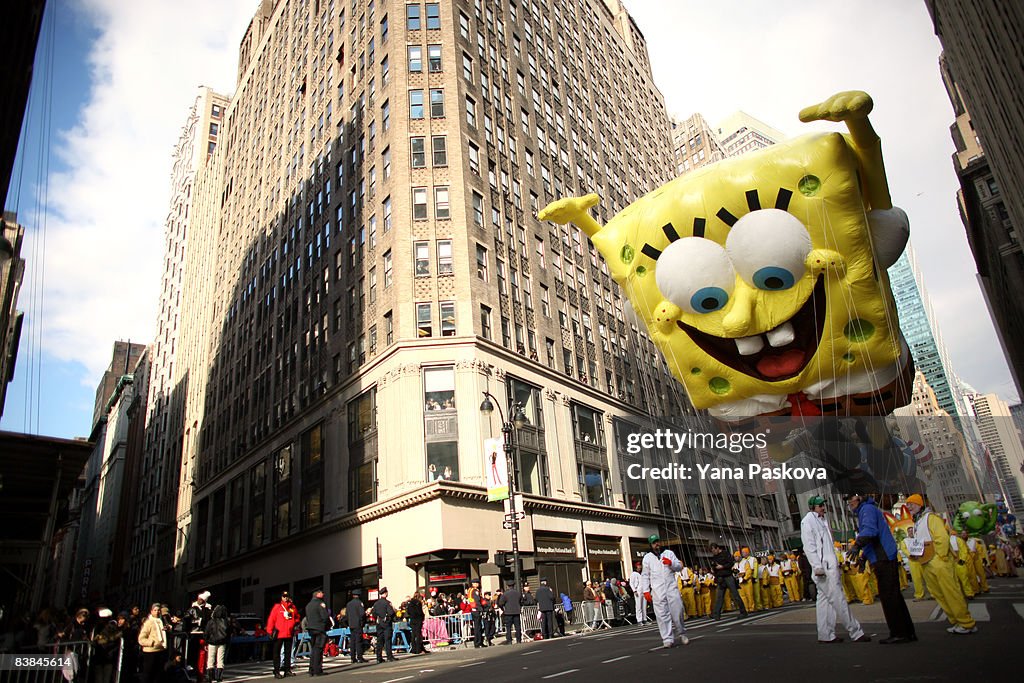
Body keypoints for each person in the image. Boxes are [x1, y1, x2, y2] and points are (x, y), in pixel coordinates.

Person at [903, 494, 977, 635]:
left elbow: (942, 538)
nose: (909, 506)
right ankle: (955, 621)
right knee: (939, 594)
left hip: (938, 562)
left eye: (912, 503)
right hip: (926, 563)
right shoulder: (918, 522)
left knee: (951, 592)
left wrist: (941, 557)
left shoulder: (931, 518)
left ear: (920, 504)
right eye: (907, 504)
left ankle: (966, 623)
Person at [801, 495, 871, 644]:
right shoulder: (808, 522)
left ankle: (825, 634)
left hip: (827, 566)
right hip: (823, 568)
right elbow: (809, 546)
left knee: (824, 601)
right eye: (820, 506)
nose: (823, 508)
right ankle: (856, 632)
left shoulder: (821, 521)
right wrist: (817, 566)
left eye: (823, 505)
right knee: (838, 599)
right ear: (813, 507)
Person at [847, 493, 917, 644]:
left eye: (851, 499)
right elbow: (872, 539)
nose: (849, 503)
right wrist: (863, 556)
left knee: (889, 596)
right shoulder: (867, 510)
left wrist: (857, 545)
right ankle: (907, 631)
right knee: (894, 595)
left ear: (859, 498)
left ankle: (899, 633)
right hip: (882, 555)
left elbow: (871, 531)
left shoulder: (866, 510)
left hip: (883, 557)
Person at [641, 533, 688, 648]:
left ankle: (681, 633)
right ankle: (667, 639)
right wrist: (646, 591)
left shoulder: (669, 553)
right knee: (662, 616)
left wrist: (671, 563)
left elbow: (679, 566)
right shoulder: (647, 558)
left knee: (678, 611)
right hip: (658, 591)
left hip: (671, 588)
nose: (656, 544)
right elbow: (645, 575)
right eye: (654, 543)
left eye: (657, 541)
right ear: (650, 545)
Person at [266, 591, 300, 678]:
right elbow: (271, 619)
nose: (285, 598)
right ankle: (276, 671)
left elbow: (297, 617)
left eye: (287, 596)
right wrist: (269, 631)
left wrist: (293, 623)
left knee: (288, 653)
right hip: (279, 633)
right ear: (281, 597)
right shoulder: (277, 607)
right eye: (284, 596)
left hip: (289, 633)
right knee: (276, 653)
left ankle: (287, 670)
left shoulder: (292, 607)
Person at [709, 542, 747, 619]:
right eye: (712, 551)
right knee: (719, 597)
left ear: (717, 548)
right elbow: (714, 566)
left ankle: (743, 612)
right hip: (720, 578)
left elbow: (731, 563)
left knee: (735, 595)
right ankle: (716, 614)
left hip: (728, 576)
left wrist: (722, 566)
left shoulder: (725, 553)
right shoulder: (714, 557)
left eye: (714, 550)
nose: (713, 552)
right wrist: (713, 570)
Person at [138, 604, 168, 683]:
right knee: (148, 674)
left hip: (160, 650)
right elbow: (141, 638)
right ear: (151, 611)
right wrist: (151, 643)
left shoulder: (161, 621)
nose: (157, 612)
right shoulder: (149, 622)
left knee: (158, 675)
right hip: (150, 652)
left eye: (158, 610)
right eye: (155, 610)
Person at [305, 589, 331, 676]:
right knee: (319, 649)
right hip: (319, 628)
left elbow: (307, 618)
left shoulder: (308, 605)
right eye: (321, 592)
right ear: (318, 594)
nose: (323, 594)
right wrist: (327, 625)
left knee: (314, 649)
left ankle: (311, 668)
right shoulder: (320, 604)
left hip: (311, 628)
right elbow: (325, 616)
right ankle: (317, 669)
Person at [203, 604, 231, 682]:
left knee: (210, 659)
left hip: (212, 642)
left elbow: (207, 632)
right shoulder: (226, 621)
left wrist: (206, 641)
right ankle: (219, 677)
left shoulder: (211, 621)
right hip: (222, 642)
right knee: (220, 660)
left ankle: (209, 677)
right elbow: (229, 633)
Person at [372, 587, 397, 662]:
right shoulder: (387, 603)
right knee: (387, 640)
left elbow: (374, 614)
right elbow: (391, 613)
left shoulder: (376, 603)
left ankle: (378, 657)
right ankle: (389, 656)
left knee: (380, 640)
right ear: (385, 593)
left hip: (379, 623)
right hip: (386, 623)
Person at [345, 590, 368, 663]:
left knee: (353, 641)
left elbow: (347, 615)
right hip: (358, 624)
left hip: (351, 624)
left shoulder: (348, 604)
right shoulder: (359, 603)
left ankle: (352, 657)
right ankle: (359, 657)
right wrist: (363, 622)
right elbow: (362, 614)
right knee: (359, 641)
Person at [467, 579, 484, 648]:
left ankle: (479, 642)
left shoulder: (470, 590)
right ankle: (478, 642)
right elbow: (477, 601)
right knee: (478, 627)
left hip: (473, 610)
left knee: (477, 626)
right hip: (476, 610)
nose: (477, 584)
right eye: (475, 583)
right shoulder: (475, 591)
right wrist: (481, 609)